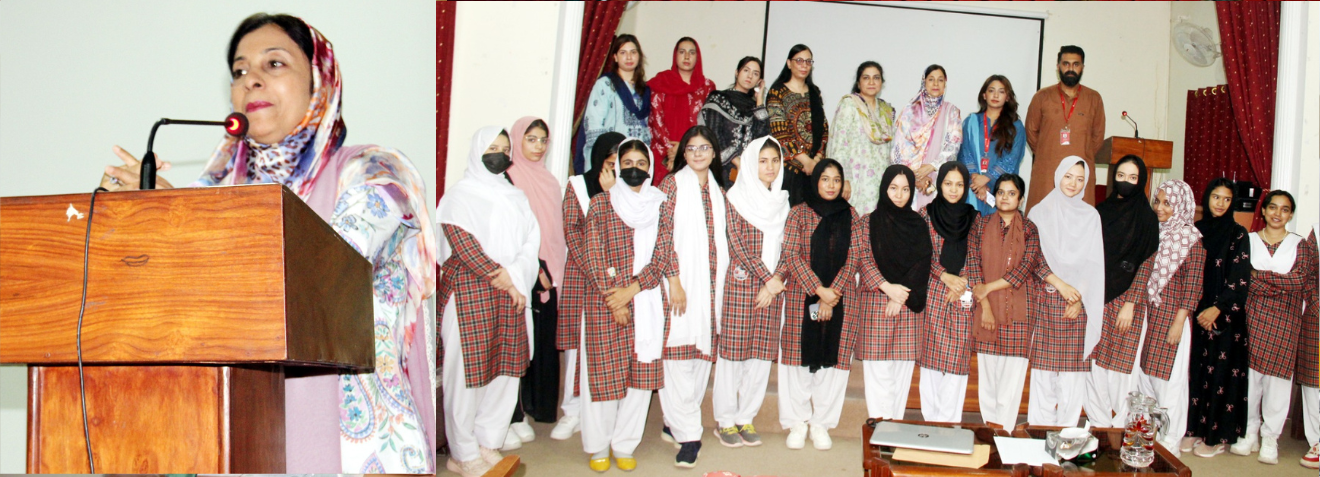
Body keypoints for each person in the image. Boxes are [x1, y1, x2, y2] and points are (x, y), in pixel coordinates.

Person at [102, 14, 435, 473]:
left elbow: (321, 270)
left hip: (352, 444)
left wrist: (186, 221)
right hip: (234, 432)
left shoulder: (374, 172)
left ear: (320, 82)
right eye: (239, 72)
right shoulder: (214, 196)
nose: (250, 80)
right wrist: (143, 222)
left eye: (273, 64)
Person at [438, 128, 539, 477]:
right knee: (468, 376)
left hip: (510, 289)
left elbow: (531, 240)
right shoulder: (459, 196)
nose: (499, 154)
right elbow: (461, 243)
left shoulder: (516, 196)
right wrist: (503, 277)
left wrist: (514, 276)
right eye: (492, 148)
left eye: (504, 149)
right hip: (470, 290)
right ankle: (462, 453)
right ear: (478, 150)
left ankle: (487, 442)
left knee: (505, 371)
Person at [579, 138, 675, 473]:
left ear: (650, 167)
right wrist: (614, 297)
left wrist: (631, 290)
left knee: (638, 378)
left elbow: (663, 254)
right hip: (606, 301)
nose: (635, 169)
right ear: (618, 166)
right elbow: (592, 254)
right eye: (628, 162)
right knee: (603, 376)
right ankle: (598, 445)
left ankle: (624, 444)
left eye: (641, 163)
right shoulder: (601, 204)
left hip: (646, 299)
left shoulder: (661, 204)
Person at [655, 126, 728, 468]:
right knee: (677, 358)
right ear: (683, 154)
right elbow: (662, 236)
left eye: (704, 148)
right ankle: (689, 436)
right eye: (691, 148)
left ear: (714, 154)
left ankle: (675, 422)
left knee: (700, 360)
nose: (698, 153)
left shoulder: (718, 191)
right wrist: (674, 280)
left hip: (712, 288)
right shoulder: (670, 186)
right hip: (681, 285)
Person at [711, 137, 788, 450]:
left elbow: (790, 246)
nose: (769, 167)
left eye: (775, 160)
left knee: (759, 356)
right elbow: (737, 244)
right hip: (743, 286)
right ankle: (725, 420)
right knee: (733, 355)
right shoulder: (735, 199)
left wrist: (776, 280)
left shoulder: (783, 202)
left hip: (773, 290)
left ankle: (746, 416)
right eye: (763, 160)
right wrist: (768, 279)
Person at [778, 158, 859, 451]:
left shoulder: (852, 214)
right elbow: (791, 254)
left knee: (834, 365)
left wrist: (832, 292)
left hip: (842, 298)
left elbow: (855, 257)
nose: (831, 185)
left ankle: (821, 423)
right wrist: (818, 290)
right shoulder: (799, 213)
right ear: (815, 181)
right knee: (797, 361)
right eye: (825, 179)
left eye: (837, 180)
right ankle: (797, 421)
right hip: (803, 295)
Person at [1230, 191, 1316, 465]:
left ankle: (1270, 437)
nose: (1278, 214)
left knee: (1278, 382)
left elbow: (1300, 281)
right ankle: (1250, 431)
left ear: (1291, 214)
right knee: (1250, 379)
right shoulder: (1249, 240)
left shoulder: (1300, 244)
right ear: (1263, 211)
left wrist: (1260, 277)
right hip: (1251, 319)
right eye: (1273, 208)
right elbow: (1243, 280)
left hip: (1286, 322)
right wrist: (1278, 281)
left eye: (1285, 209)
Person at [552, 132, 626, 442]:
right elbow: (572, 230)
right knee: (577, 349)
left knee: (611, 347)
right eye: (608, 164)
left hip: (617, 282)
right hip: (584, 277)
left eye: (618, 164)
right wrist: (597, 274)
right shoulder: (577, 186)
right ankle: (572, 411)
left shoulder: (629, 188)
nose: (613, 171)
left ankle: (607, 412)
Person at [1024, 158, 1103, 427]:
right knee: (1043, 377)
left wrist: (1079, 299)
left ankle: (1067, 437)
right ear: (1058, 175)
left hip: (1076, 305)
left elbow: (1093, 263)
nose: (1073, 183)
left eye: (1080, 179)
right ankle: (1039, 434)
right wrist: (1062, 286)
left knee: (1072, 380)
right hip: (1046, 300)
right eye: (1068, 176)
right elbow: (1033, 258)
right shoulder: (1039, 212)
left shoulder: (1091, 216)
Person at [852, 165, 930, 420]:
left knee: (900, 374)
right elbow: (862, 258)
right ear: (885, 188)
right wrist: (888, 288)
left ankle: (893, 428)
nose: (899, 194)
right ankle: (879, 426)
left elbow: (923, 261)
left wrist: (901, 295)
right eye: (894, 188)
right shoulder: (867, 222)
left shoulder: (918, 223)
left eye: (906, 189)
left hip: (907, 305)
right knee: (879, 374)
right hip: (877, 303)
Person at [1133, 180, 1205, 458]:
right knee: (1146, 378)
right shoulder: (1154, 232)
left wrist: (1178, 322)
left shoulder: (1191, 239)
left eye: (1167, 203)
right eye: (1158, 201)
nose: (1160, 208)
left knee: (1169, 384)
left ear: (1181, 206)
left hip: (1172, 318)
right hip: (1148, 315)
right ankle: (1149, 438)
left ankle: (1170, 445)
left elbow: (1193, 285)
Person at [1085, 155, 1158, 428]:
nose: (1125, 182)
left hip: (1128, 303)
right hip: (1097, 299)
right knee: (1094, 366)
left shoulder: (1148, 219)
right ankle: (1100, 423)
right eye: (1121, 176)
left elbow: (1146, 264)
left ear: (1141, 182)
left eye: (1132, 178)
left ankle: (1122, 428)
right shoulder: (1100, 212)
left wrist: (1130, 303)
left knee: (1121, 368)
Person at [503, 117, 562, 448]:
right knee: (519, 343)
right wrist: (537, 267)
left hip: (554, 270)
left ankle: (540, 409)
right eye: (531, 139)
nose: (538, 146)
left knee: (544, 342)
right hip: (528, 269)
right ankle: (515, 413)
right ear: (517, 141)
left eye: (543, 140)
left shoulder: (551, 181)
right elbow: (518, 230)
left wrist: (553, 268)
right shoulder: (509, 177)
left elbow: (555, 229)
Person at [968, 174, 1045, 429]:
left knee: (1010, 384)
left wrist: (988, 287)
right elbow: (974, 265)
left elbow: (1023, 270)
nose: (1005, 197)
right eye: (1000, 192)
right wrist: (986, 307)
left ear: (1020, 198)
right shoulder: (980, 225)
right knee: (988, 381)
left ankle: (1006, 432)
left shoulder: (1031, 229)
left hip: (1018, 312)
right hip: (986, 311)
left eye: (1011, 193)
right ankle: (991, 431)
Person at [1184, 178, 1251, 458]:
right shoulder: (1195, 231)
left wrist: (1218, 309)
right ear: (1206, 198)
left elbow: (1240, 277)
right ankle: (1192, 430)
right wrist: (1198, 309)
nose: (1220, 203)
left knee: (1221, 373)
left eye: (1226, 199)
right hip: (1196, 312)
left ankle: (1214, 436)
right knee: (1195, 371)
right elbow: (1188, 272)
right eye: (1215, 197)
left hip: (1225, 316)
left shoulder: (1238, 233)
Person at [916, 162, 980, 422]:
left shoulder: (975, 219)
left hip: (964, 293)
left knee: (957, 362)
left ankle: (949, 422)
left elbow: (978, 257)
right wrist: (944, 275)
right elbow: (921, 254)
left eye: (959, 184)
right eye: (948, 183)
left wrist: (963, 281)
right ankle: (931, 421)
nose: (953, 190)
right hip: (934, 291)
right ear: (939, 184)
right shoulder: (925, 214)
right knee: (931, 361)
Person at [1025, 45, 1105, 210]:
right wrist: (1048, 153)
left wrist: (1080, 156)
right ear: (1058, 66)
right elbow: (1031, 132)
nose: (1070, 68)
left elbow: (1097, 138)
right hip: (1047, 174)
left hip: (1080, 175)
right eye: (1066, 64)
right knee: (1042, 223)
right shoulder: (1042, 97)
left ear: (1082, 67)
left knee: (1078, 225)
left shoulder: (1093, 98)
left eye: (1076, 64)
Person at [892, 65, 962, 211]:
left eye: (940, 80)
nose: (936, 84)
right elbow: (899, 147)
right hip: (909, 180)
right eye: (931, 79)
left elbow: (954, 145)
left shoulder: (951, 111)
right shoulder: (909, 111)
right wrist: (916, 177)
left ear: (945, 84)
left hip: (938, 178)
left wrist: (932, 166)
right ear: (924, 82)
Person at [828, 61, 896, 215]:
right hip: (855, 178)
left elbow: (890, 149)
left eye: (876, 78)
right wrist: (842, 179)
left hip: (879, 179)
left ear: (882, 82)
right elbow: (839, 144)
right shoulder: (849, 105)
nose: (871, 82)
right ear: (859, 82)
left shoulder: (886, 110)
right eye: (866, 78)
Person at [767, 44, 829, 206]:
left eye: (808, 61)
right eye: (799, 60)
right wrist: (805, 161)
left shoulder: (815, 92)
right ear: (789, 63)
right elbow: (779, 132)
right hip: (788, 170)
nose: (804, 65)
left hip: (814, 170)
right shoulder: (777, 92)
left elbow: (823, 130)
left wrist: (815, 160)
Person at [649, 37, 717, 185]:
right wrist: (672, 151)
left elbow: (708, 123)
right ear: (675, 55)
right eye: (682, 52)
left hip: (696, 154)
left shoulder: (707, 88)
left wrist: (684, 148)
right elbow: (656, 120)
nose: (687, 56)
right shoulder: (662, 82)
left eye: (692, 52)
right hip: (665, 155)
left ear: (697, 57)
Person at [581, 34, 651, 172]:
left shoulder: (645, 90)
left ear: (639, 56)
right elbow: (594, 124)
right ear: (615, 57)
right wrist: (606, 157)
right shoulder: (605, 85)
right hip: (610, 159)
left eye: (633, 52)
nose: (629, 57)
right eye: (623, 53)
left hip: (636, 159)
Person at [958, 75, 1025, 215]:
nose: (995, 95)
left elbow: (1012, 158)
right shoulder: (971, 122)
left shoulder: (1015, 126)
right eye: (991, 90)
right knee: (972, 230)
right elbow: (965, 153)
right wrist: (977, 182)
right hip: (973, 189)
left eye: (1001, 91)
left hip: (999, 191)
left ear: (1007, 97)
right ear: (984, 95)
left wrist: (987, 178)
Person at [699, 57, 770, 185]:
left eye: (755, 74)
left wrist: (760, 100)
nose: (750, 76)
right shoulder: (718, 99)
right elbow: (713, 134)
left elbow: (762, 137)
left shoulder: (755, 107)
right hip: (721, 169)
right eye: (746, 70)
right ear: (737, 72)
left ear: (759, 81)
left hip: (747, 172)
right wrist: (736, 161)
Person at [1300, 225, 1320, 469]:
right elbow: (1308, 278)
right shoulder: (1315, 237)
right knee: (1313, 382)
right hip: (1316, 317)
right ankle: (1316, 441)